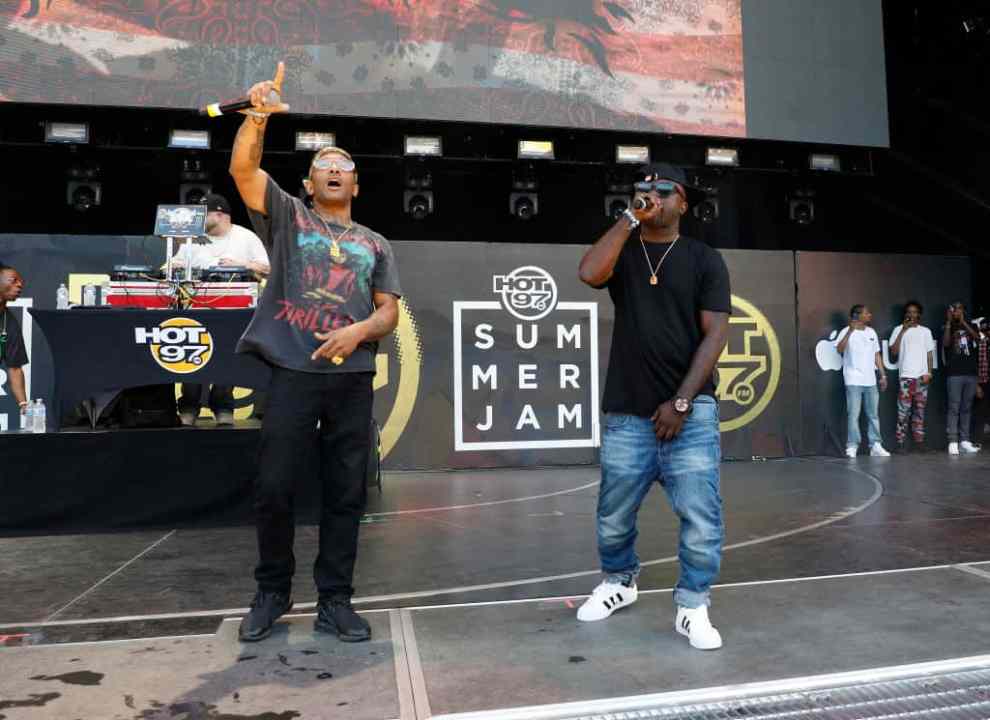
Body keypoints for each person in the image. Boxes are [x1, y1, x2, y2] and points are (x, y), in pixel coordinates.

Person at [229, 63, 402, 643]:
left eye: (344, 167)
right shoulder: (287, 216)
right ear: (308, 183)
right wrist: (257, 116)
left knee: (345, 493)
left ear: (356, 185)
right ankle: (272, 592)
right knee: (275, 486)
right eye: (323, 166)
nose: (334, 169)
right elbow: (243, 168)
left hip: (352, 378)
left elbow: (388, 312)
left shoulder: (375, 243)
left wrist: (358, 333)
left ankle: (335, 600)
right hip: (294, 374)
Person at [577, 162, 730, 650]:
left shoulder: (705, 259)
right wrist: (628, 218)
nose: (651, 195)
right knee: (613, 513)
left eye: (663, 190)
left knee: (701, 515)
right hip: (627, 411)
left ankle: (692, 605)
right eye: (642, 189)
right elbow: (587, 273)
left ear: (682, 202)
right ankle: (619, 583)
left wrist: (682, 401)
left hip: (691, 412)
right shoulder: (625, 249)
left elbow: (715, 337)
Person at [174, 193, 271, 427]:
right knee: (193, 355)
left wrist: (244, 265)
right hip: (197, 309)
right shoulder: (192, 240)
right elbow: (173, 264)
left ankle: (223, 404)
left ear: (219, 214)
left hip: (233, 311)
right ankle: (189, 405)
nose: (198, 219)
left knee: (228, 358)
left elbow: (267, 268)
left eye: (202, 214)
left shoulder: (245, 237)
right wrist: (175, 259)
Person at [836, 305, 890, 458]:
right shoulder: (846, 331)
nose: (870, 315)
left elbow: (877, 355)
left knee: (873, 414)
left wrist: (883, 375)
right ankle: (852, 445)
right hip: (853, 379)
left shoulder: (871, 332)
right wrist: (850, 331)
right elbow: (839, 350)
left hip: (871, 380)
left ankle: (876, 445)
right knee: (853, 414)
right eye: (867, 313)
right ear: (857, 316)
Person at [888, 301, 935, 453]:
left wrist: (929, 372)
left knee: (919, 412)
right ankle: (900, 443)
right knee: (903, 412)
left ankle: (919, 443)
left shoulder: (925, 331)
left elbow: (929, 353)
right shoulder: (898, 329)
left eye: (914, 312)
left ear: (919, 314)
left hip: (922, 376)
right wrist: (903, 330)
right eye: (909, 312)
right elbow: (893, 352)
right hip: (906, 377)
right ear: (905, 314)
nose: (911, 314)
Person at [942, 302, 981, 455]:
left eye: (959, 309)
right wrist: (949, 322)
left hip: (970, 373)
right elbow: (945, 343)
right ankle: (953, 441)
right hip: (954, 374)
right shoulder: (946, 326)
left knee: (967, 407)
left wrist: (964, 322)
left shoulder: (970, 325)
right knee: (954, 408)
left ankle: (964, 440)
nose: (957, 312)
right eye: (954, 310)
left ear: (963, 311)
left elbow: (978, 339)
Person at [0, 263, 29, 421]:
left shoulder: (9, 323)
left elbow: (15, 368)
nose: (20, 284)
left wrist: (24, 405)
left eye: (21, 281)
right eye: (13, 280)